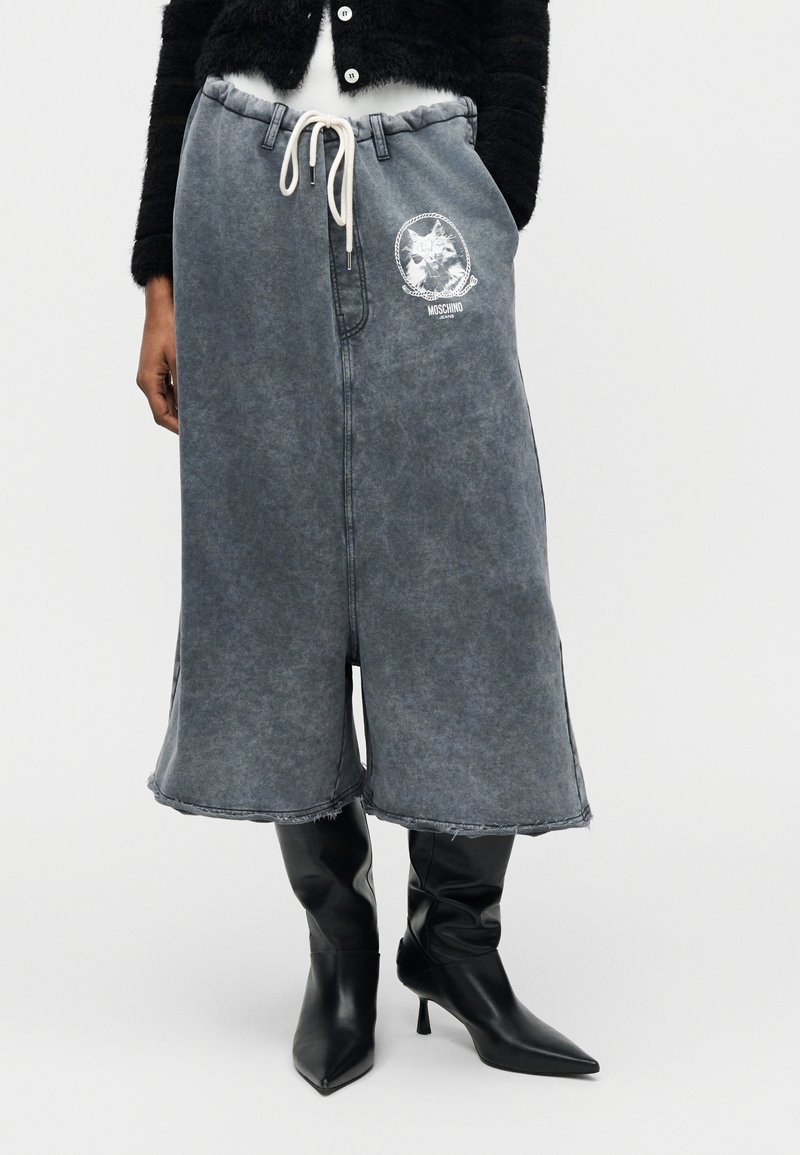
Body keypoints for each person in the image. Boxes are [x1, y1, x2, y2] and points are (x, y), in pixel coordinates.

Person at [132, 0, 599, 1094]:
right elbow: (186, 28)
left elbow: (517, 30)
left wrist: (487, 197)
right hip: (241, 185)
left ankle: (456, 942)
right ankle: (336, 949)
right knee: (275, 566)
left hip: (428, 178)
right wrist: (159, 275)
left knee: (476, 567)